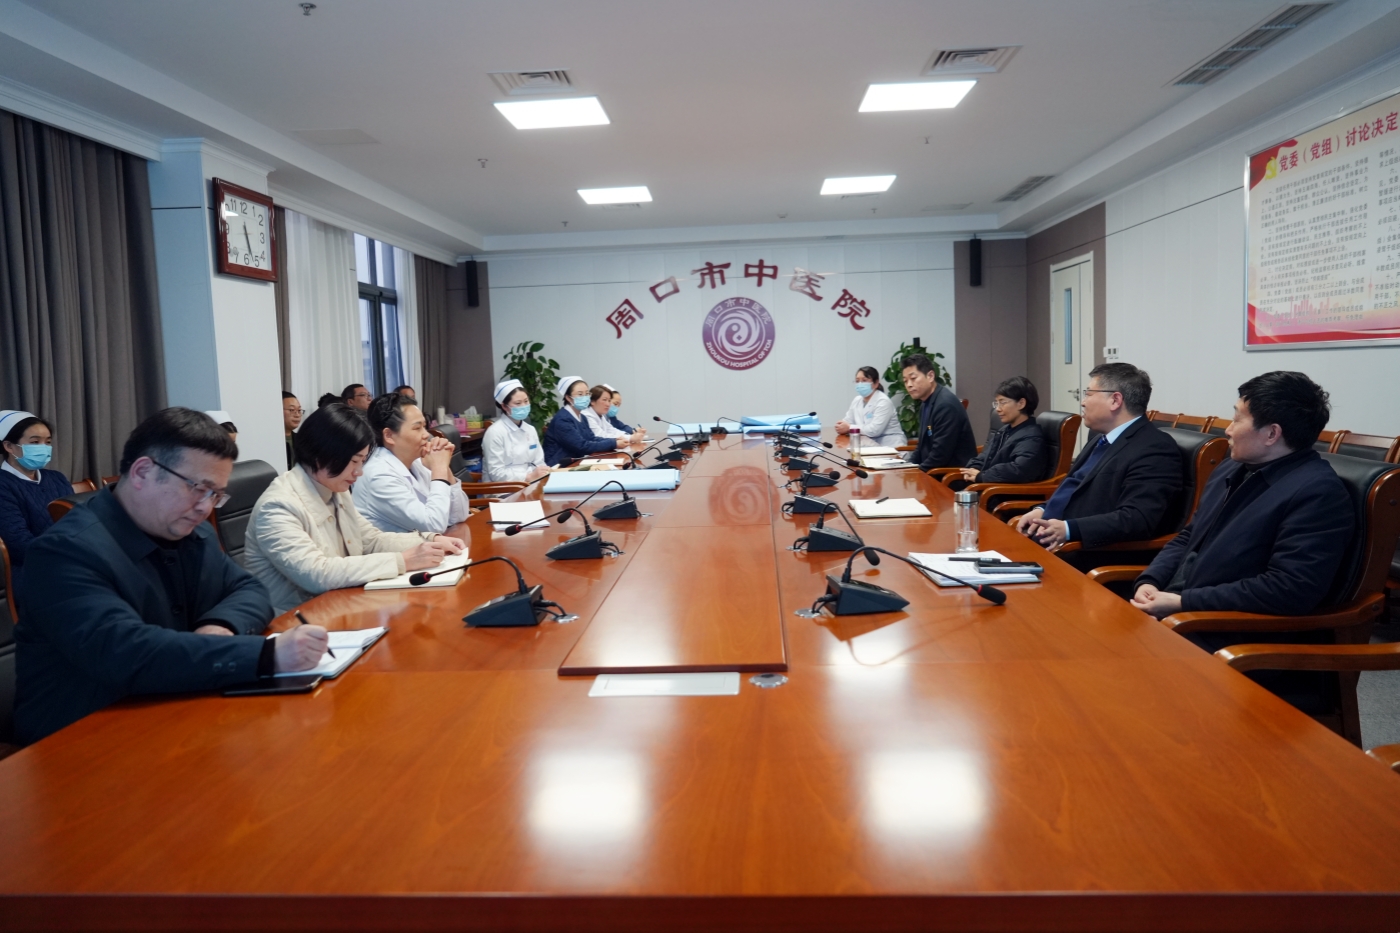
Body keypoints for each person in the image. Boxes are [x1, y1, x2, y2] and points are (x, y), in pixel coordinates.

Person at [12, 408, 326, 745]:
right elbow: (126, 653)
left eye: (216, 495)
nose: (205, 507)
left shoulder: (192, 534)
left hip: (176, 709)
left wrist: (221, 625)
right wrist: (266, 655)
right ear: (143, 472)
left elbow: (247, 588)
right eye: (198, 488)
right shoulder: (64, 552)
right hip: (82, 738)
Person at [1131, 372, 1352, 620]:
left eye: (1236, 420)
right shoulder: (1230, 468)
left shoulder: (1318, 493)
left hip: (1219, 625)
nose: (1228, 430)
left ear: (1272, 434)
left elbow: (1290, 588)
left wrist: (1184, 603)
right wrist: (1151, 581)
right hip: (1176, 607)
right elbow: (1190, 536)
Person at [243, 403, 463, 614]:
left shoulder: (334, 488)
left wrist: (429, 540)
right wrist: (402, 561)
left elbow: (371, 540)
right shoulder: (278, 506)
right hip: (294, 622)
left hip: (339, 606)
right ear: (323, 455)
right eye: (354, 461)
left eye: (362, 461)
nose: (359, 472)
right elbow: (318, 573)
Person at [1014, 362, 1182, 556]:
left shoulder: (1155, 448)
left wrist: (1069, 529)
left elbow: (1137, 518)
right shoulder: (1100, 438)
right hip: (1050, 541)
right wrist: (1042, 510)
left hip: (1087, 553)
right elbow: (1075, 490)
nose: (1083, 402)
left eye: (1088, 394)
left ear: (1115, 400)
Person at [353, 392, 471, 534]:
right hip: (401, 548)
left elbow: (459, 515)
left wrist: (444, 466)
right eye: (417, 428)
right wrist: (439, 468)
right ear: (389, 435)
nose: (426, 434)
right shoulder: (378, 475)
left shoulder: (415, 461)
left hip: (432, 544)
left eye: (424, 426)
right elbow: (433, 525)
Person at [0, 410, 74, 571]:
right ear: (9, 446)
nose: (43, 448)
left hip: (72, 561)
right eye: (35, 442)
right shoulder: (3, 485)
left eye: (48, 442)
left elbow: (78, 521)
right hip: (31, 569)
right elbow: (18, 544)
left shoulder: (57, 478)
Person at [959, 376, 1048, 485]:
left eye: (1002, 402)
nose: (997, 409)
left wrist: (983, 476)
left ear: (1021, 403)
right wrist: (974, 467)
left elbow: (1019, 470)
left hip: (1005, 493)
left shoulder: (1032, 437)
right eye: (996, 403)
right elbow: (986, 455)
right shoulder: (1005, 430)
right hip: (988, 488)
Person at [901, 354, 976, 470]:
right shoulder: (925, 403)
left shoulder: (945, 405)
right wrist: (907, 467)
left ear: (930, 376)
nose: (909, 385)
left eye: (913, 378)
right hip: (933, 470)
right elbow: (921, 447)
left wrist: (916, 472)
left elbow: (940, 455)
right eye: (905, 381)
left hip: (949, 475)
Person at [543, 376, 632, 466]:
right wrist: (613, 443)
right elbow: (582, 446)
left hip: (576, 462)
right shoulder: (563, 419)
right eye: (580, 394)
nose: (585, 397)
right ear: (568, 398)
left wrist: (614, 440)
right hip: (558, 466)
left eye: (587, 394)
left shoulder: (582, 417)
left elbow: (592, 438)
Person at [481, 379, 550, 483]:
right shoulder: (494, 433)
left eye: (526, 401)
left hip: (532, 482)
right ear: (504, 406)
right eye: (518, 403)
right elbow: (496, 473)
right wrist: (528, 477)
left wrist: (541, 473)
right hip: (505, 487)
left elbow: (539, 462)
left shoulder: (530, 429)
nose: (524, 406)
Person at [834, 366, 906, 448]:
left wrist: (849, 427)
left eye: (864, 380)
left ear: (876, 383)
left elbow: (874, 431)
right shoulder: (857, 400)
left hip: (891, 446)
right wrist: (841, 426)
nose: (860, 384)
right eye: (857, 381)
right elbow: (847, 421)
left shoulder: (883, 401)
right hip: (868, 445)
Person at [282, 391, 302, 470]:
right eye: (291, 410)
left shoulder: (301, 440)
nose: (297, 415)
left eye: (299, 410)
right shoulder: (272, 441)